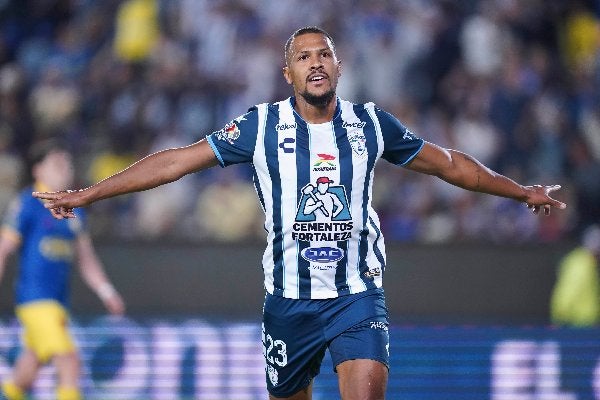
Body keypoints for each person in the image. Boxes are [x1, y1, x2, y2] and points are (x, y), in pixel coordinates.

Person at [33, 27, 566, 400]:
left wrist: (521, 192)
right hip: (288, 303)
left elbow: (450, 165)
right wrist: (89, 194)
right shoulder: (259, 126)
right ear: (287, 72)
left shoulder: (370, 124)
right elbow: (175, 161)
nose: (316, 62)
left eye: (324, 54)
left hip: (357, 294)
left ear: (338, 66)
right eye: (304, 56)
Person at [0, 140, 125, 400]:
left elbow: (86, 259)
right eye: (57, 164)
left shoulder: (73, 210)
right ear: (38, 170)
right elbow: (4, 249)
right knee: (69, 362)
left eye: (67, 164)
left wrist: (106, 291)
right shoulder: (28, 203)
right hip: (35, 301)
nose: (64, 169)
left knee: (27, 371)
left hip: (58, 303)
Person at [550, 224, 600, 327]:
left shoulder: (584, 262)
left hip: (586, 321)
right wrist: (560, 316)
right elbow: (569, 291)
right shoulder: (581, 265)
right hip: (579, 323)